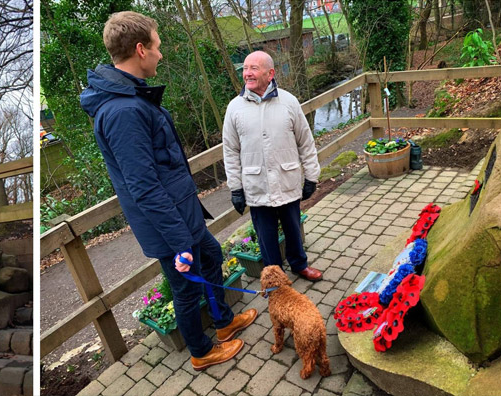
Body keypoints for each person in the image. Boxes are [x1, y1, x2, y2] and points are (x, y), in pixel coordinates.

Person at [79, 11, 256, 370]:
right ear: (141, 49)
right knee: (185, 289)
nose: (162, 54)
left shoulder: (133, 98)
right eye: (158, 47)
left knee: (211, 257)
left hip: (183, 217)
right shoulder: (123, 111)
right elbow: (143, 187)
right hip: (169, 227)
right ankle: (201, 351)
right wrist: (178, 242)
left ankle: (223, 323)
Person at [222, 50, 324, 282]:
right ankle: (275, 280)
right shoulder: (234, 108)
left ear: (270, 73)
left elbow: (305, 142)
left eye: (253, 69)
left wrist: (311, 176)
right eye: (245, 69)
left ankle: (299, 265)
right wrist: (236, 188)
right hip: (256, 185)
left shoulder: (288, 102)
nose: (247, 73)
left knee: (293, 228)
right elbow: (230, 151)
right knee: (266, 237)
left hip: (286, 179)